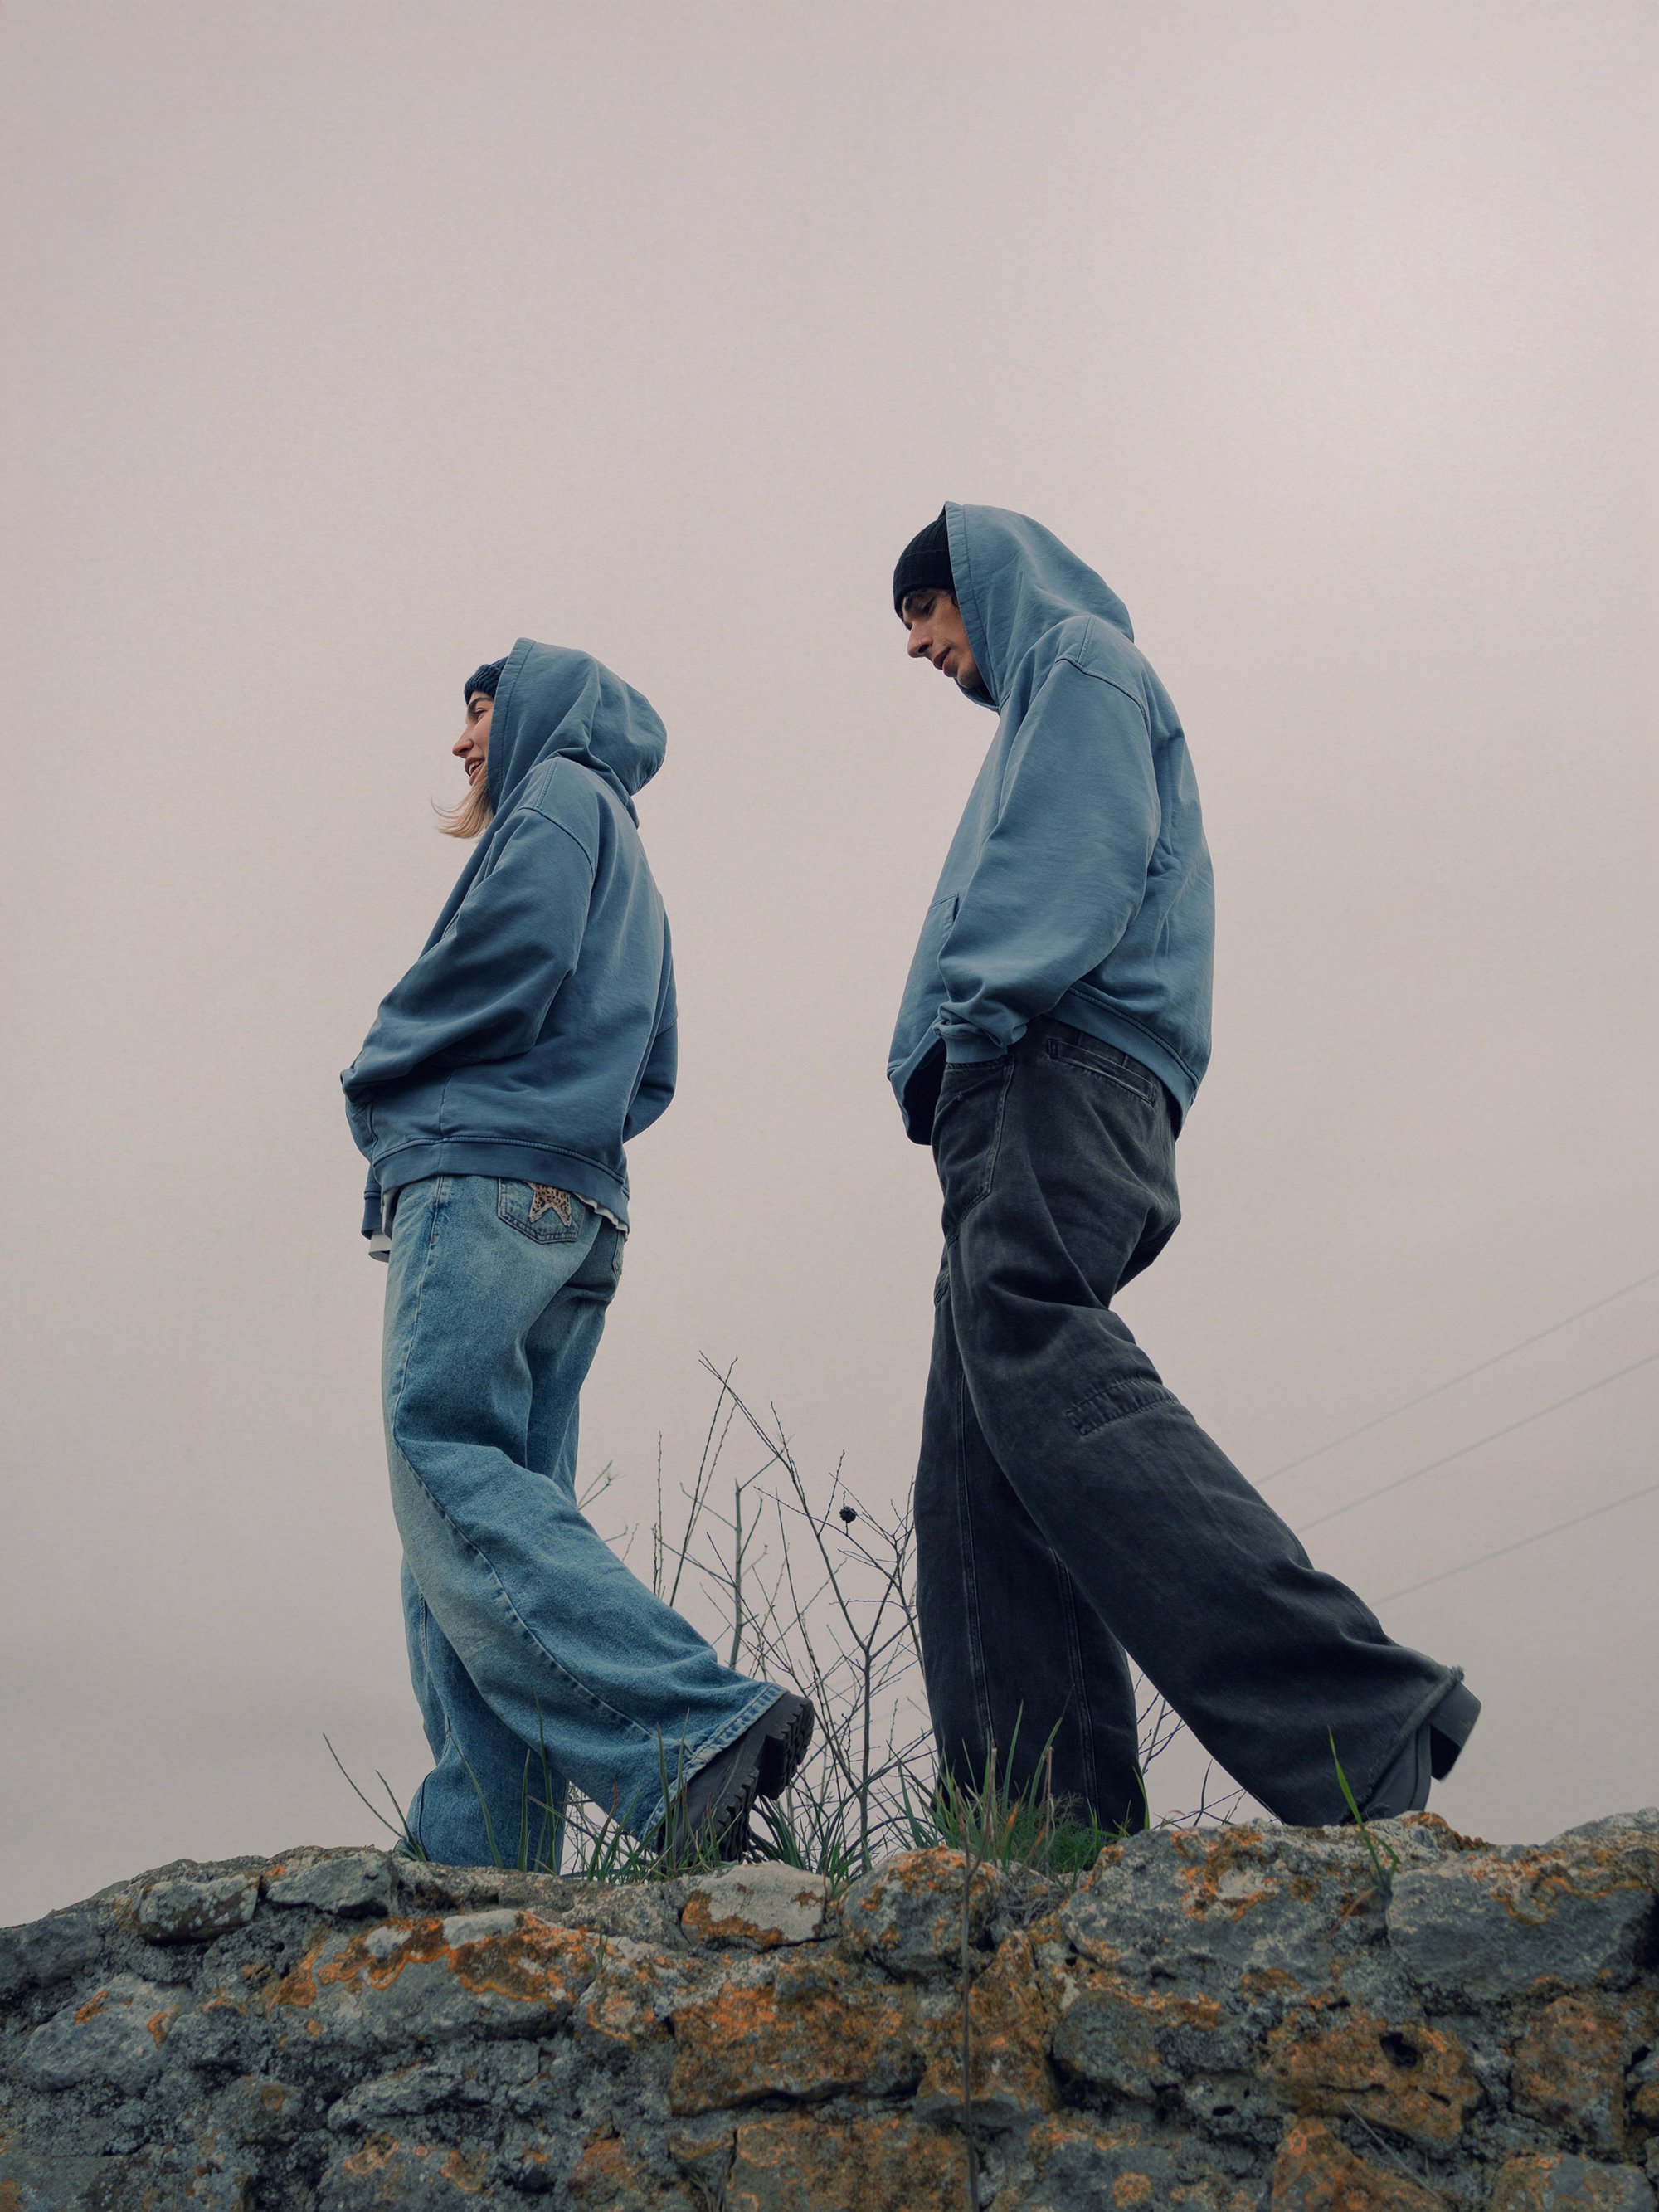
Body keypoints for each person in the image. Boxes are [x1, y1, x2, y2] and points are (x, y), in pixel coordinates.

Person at [887, 506, 1478, 1832]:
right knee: (975, 1469)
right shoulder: (1056, 690)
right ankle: (1045, 1823)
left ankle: (1357, 1716)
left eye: (924, 610)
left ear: (977, 581)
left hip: (1047, 1066)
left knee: (1035, 1352)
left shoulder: (1080, 665)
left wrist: (972, 1021)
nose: (917, 645)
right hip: (1042, 1074)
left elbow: (1071, 861)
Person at [343, 641, 811, 1868]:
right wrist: (567, 1132)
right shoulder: (626, 845)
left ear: (534, 706)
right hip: (576, 1202)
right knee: (481, 1537)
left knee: (443, 1462)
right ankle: (483, 1863)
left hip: (485, 1182)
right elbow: (655, 1060)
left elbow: (507, 957)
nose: (461, 741)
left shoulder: (553, 798)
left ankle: (693, 1729)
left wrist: (382, 1065)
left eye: (479, 711)